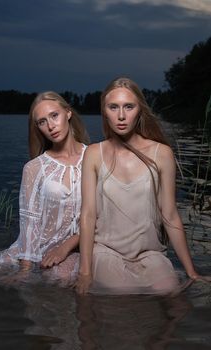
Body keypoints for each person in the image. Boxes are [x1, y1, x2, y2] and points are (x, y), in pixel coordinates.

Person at [76, 77, 211, 295]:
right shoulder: (93, 154)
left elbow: (170, 215)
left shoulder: (162, 153)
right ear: (104, 111)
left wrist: (192, 272)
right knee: (122, 294)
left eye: (129, 107)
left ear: (139, 110)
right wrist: (84, 272)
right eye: (113, 107)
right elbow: (88, 215)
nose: (121, 116)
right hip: (107, 251)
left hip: (151, 253)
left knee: (170, 292)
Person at [0, 91, 89, 286]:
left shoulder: (94, 157)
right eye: (42, 122)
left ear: (68, 113)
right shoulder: (34, 168)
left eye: (54, 116)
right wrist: (25, 268)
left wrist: (66, 246)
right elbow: (29, 221)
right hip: (29, 250)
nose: (50, 126)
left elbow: (101, 216)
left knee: (57, 279)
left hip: (74, 249)